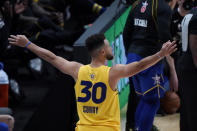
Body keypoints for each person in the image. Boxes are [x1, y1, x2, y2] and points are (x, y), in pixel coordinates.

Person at [8, 34, 176, 131]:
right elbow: (140, 65)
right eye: (109, 47)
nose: (111, 49)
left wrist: (28, 44)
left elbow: (51, 57)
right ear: (103, 52)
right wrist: (160, 55)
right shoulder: (113, 73)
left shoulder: (77, 70)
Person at [123, 0, 172, 130]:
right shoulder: (162, 7)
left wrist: (130, 55)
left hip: (133, 56)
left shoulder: (137, 4)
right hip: (150, 59)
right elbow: (165, 37)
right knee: (152, 100)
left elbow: (126, 32)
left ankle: (137, 127)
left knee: (143, 99)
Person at [178, 3, 197, 131]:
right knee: (193, 109)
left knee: (187, 108)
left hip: (185, 64)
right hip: (191, 68)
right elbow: (194, 46)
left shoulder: (192, 12)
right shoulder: (196, 16)